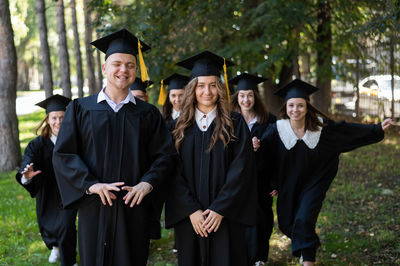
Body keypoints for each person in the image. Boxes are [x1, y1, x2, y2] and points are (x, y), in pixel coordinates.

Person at [52, 28, 175, 266]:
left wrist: (147, 183)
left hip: (133, 205)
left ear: (136, 70)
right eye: (116, 64)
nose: (123, 70)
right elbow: (64, 153)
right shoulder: (80, 109)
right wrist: (90, 184)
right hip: (94, 207)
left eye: (130, 65)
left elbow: (165, 156)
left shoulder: (148, 114)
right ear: (104, 68)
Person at [253, 79, 395, 265]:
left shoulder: (320, 130)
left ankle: (308, 260)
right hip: (288, 184)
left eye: (300, 105)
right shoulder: (276, 130)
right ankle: (305, 248)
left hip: (314, 184)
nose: (295, 110)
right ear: (286, 107)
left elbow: (347, 132)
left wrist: (376, 128)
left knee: (304, 219)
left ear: (307, 107)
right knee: (287, 224)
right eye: (291, 105)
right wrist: (258, 152)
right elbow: (265, 158)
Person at [165, 51, 257, 266]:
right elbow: (172, 171)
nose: (207, 91)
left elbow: (242, 169)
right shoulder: (178, 128)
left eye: (213, 85)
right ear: (192, 89)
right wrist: (191, 210)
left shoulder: (234, 123)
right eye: (201, 85)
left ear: (221, 88)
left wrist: (220, 209)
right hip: (191, 218)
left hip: (225, 215)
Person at [16, 94, 78, 266]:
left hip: (69, 191)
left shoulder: (74, 141)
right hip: (47, 191)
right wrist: (26, 175)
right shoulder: (37, 145)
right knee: (48, 225)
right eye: (54, 118)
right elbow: (27, 161)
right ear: (48, 120)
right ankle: (56, 246)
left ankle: (69, 261)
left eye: (62, 117)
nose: (58, 121)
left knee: (66, 225)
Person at [230, 73, 277, 265]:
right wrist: (245, 147)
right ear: (237, 97)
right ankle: (241, 256)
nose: (246, 99)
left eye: (250, 95)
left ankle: (259, 258)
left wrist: (276, 180)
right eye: (242, 95)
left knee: (262, 218)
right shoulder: (229, 121)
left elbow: (277, 153)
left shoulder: (269, 120)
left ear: (255, 97)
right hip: (238, 179)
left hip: (262, 179)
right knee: (239, 217)